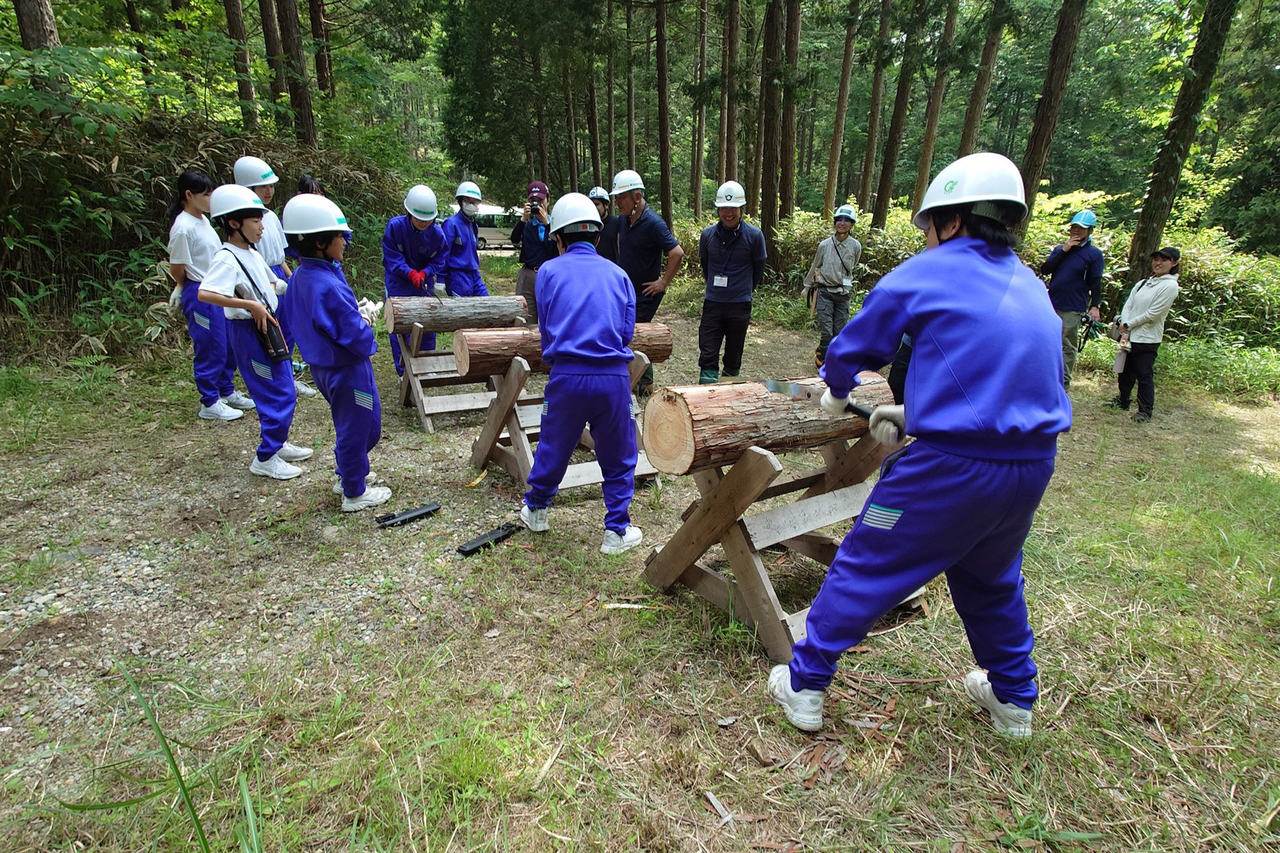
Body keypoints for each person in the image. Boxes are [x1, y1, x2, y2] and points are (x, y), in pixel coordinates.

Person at [766, 152, 1072, 738]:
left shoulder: (930, 270)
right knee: (991, 574)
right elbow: (1015, 379)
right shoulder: (1032, 284)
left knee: (865, 559)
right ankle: (1014, 699)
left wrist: (835, 390)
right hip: (1031, 466)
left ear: (952, 222)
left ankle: (803, 684)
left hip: (953, 467)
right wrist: (917, 413)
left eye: (929, 227)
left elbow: (853, 346)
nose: (927, 239)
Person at [518, 193, 643, 555]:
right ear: (598, 239)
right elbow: (626, 333)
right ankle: (616, 530)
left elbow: (547, 325)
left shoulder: (548, 272)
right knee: (620, 453)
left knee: (555, 444)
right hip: (613, 377)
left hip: (567, 375)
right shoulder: (619, 275)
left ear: (558, 238)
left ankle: (537, 510)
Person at [282, 193, 391, 511]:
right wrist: (366, 320)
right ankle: (354, 492)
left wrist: (352, 313)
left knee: (365, 423)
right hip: (345, 368)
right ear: (318, 242)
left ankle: (347, 473)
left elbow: (313, 321)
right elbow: (354, 335)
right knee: (358, 427)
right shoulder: (324, 284)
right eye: (340, 236)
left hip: (325, 366)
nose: (345, 241)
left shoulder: (304, 276)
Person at [198, 184, 313, 480]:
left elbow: (271, 284)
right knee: (276, 393)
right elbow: (206, 294)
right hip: (249, 333)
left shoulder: (249, 251)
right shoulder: (227, 257)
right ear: (234, 223)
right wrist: (250, 305)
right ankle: (265, 456)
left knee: (284, 384)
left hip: (266, 326)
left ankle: (277, 443)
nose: (262, 227)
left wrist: (298, 287)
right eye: (255, 221)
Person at [166, 170, 253, 421]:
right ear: (189, 195)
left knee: (228, 342)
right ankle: (209, 400)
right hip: (200, 291)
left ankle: (225, 390)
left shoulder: (203, 220)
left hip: (219, 288)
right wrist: (182, 287)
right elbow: (178, 266)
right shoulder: (183, 227)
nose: (210, 198)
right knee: (210, 344)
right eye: (206, 194)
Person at [233, 155, 316, 399]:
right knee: (265, 333)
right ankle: (271, 383)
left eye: (271, 186)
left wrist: (291, 281)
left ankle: (287, 375)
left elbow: (279, 256)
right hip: (257, 279)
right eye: (262, 187)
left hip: (277, 274)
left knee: (287, 329)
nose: (269, 191)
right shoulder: (242, 226)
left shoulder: (270, 217)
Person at [611, 169, 684, 392]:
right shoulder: (624, 220)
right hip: (626, 290)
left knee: (635, 333)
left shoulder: (653, 223)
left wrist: (663, 282)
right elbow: (618, 242)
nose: (617, 202)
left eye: (622, 197)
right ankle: (641, 381)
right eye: (616, 198)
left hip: (646, 293)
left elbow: (677, 253)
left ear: (637, 197)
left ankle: (644, 383)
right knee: (630, 333)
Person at [696, 180, 766, 384]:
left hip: (739, 304)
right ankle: (706, 397)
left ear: (741, 208)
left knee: (733, 355)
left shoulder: (754, 236)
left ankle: (728, 397)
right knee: (708, 351)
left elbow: (758, 271)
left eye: (733, 208)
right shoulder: (708, 234)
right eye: (724, 208)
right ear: (718, 209)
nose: (728, 213)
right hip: (713, 303)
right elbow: (706, 267)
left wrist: (743, 290)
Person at [1106, 247, 1180, 423]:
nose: (1158, 263)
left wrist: (1129, 324)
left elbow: (1153, 313)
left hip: (1147, 338)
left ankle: (1145, 410)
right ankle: (1123, 399)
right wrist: (1125, 324)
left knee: (1144, 374)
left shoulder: (1170, 286)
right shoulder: (1144, 283)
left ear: (1174, 263)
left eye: (1164, 260)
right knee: (1124, 370)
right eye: (1156, 259)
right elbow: (1129, 304)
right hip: (1130, 335)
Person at [382, 185, 447, 375]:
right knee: (400, 325)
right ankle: (404, 371)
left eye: (427, 220)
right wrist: (409, 273)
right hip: (398, 283)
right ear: (409, 213)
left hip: (424, 282)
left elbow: (439, 259)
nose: (422, 223)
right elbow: (392, 257)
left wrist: (426, 272)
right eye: (418, 219)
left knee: (427, 322)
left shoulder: (437, 234)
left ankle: (426, 366)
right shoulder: (395, 227)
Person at [1040, 210, 1105, 388]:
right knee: (1046, 341)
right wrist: (1064, 250)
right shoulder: (1060, 250)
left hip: (1073, 306)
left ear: (1089, 230)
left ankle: (1063, 382)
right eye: (1074, 227)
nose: (1076, 230)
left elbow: (1095, 281)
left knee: (1067, 345)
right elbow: (1045, 269)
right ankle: (1044, 377)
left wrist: (1095, 306)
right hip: (1051, 303)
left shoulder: (1093, 254)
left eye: (1081, 228)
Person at [802, 204, 862, 368]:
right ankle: (824, 359)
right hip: (825, 291)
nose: (842, 223)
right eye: (839, 220)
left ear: (851, 224)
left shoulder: (855, 245)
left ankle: (833, 356)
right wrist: (807, 286)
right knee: (826, 330)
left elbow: (854, 264)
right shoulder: (825, 245)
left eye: (846, 221)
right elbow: (815, 266)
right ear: (835, 222)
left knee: (840, 330)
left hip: (843, 293)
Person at [510, 181, 557, 323]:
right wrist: (523, 219)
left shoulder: (555, 224)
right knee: (526, 318)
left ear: (548, 200)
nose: (537, 205)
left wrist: (547, 224)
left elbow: (558, 247)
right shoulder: (527, 225)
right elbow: (514, 239)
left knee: (549, 317)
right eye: (533, 201)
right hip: (528, 274)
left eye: (540, 201)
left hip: (549, 274)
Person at [439, 180, 489, 297]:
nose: (471, 205)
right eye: (468, 201)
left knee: (486, 304)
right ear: (461, 201)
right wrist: (440, 280)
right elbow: (443, 253)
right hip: (457, 276)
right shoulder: (451, 224)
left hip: (474, 275)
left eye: (475, 202)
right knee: (463, 311)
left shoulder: (473, 225)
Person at [589, 185, 621, 264]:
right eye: (591, 204)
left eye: (596, 204)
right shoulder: (588, 226)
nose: (593, 208)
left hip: (612, 271)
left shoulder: (617, 223)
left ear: (606, 205)